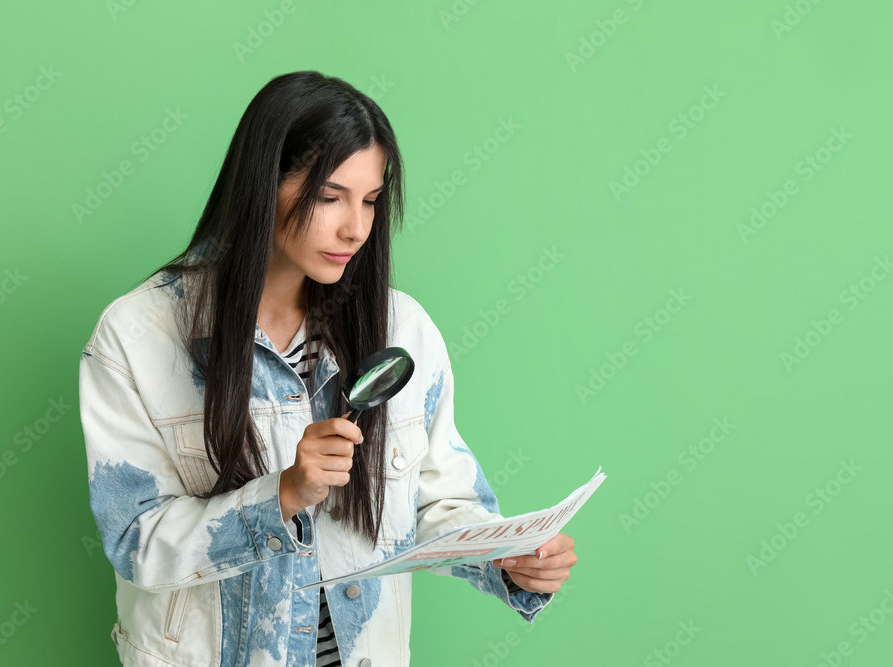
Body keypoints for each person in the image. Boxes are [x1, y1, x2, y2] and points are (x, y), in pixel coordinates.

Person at [78, 70, 577, 667]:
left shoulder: (401, 329)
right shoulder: (137, 336)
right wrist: (282, 494)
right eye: (329, 196)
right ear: (265, 184)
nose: (356, 228)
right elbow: (137, 540)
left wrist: (508, 559)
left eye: (370, 200)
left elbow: (436, 502)